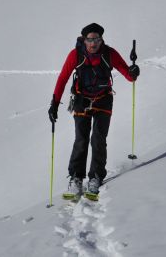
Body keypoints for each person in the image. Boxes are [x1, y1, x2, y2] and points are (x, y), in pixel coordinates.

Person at [49, 23, 139, 199]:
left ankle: (96, 177)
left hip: (103, 99)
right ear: (84, 40)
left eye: (96, 39)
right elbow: (63, 78)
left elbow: (128, 76)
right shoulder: (76, 54)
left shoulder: (109, 53)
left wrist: (134, 71)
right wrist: (54, 103)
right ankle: (76, 178)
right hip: (82, 100)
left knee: (98, 138)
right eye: (90, 39)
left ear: (101, 39)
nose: (93, 43)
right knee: (81, 140)